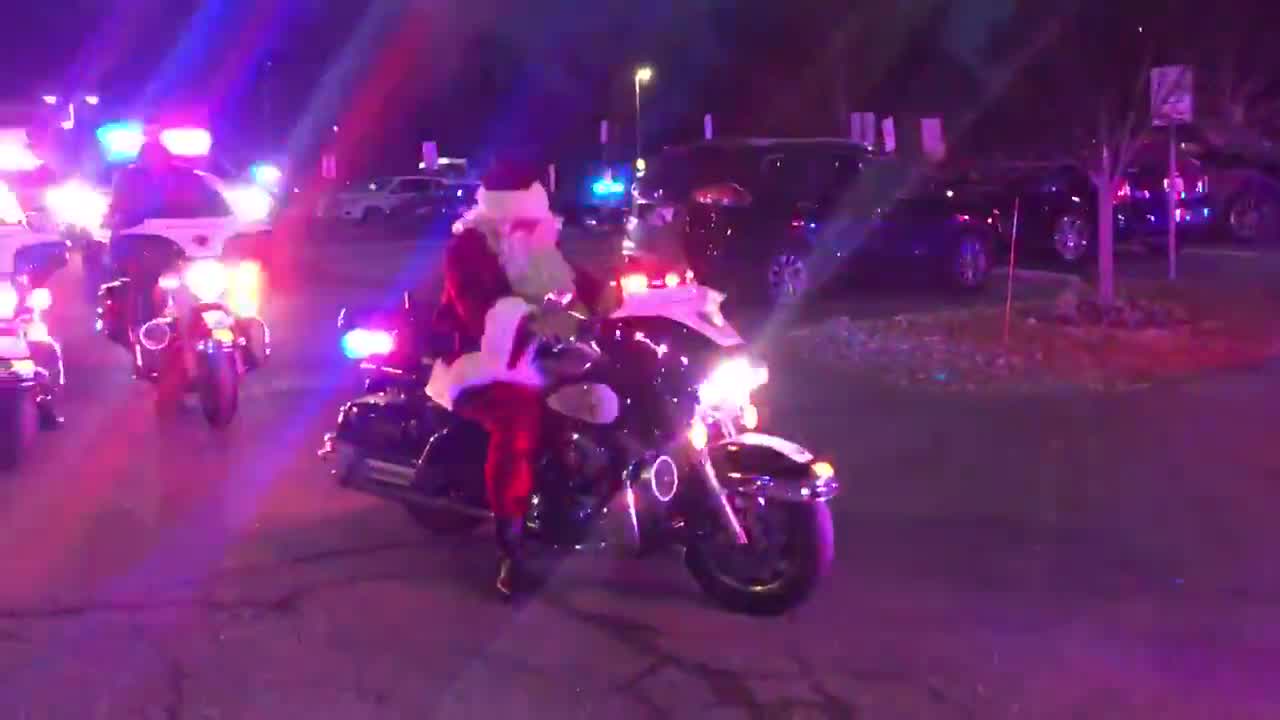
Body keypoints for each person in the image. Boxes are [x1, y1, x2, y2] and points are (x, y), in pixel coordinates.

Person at [426, 158, 614, 599]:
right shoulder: (470, 246)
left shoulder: (538, 240)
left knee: (589, 396)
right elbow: (477, 307)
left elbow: (571, 280)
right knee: (519, 422)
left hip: (539, 354)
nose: (533, 227)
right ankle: (511, 547)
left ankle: (573, 494)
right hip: (482, 355)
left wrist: (613, 295)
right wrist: (529, 322)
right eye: (525, 218)